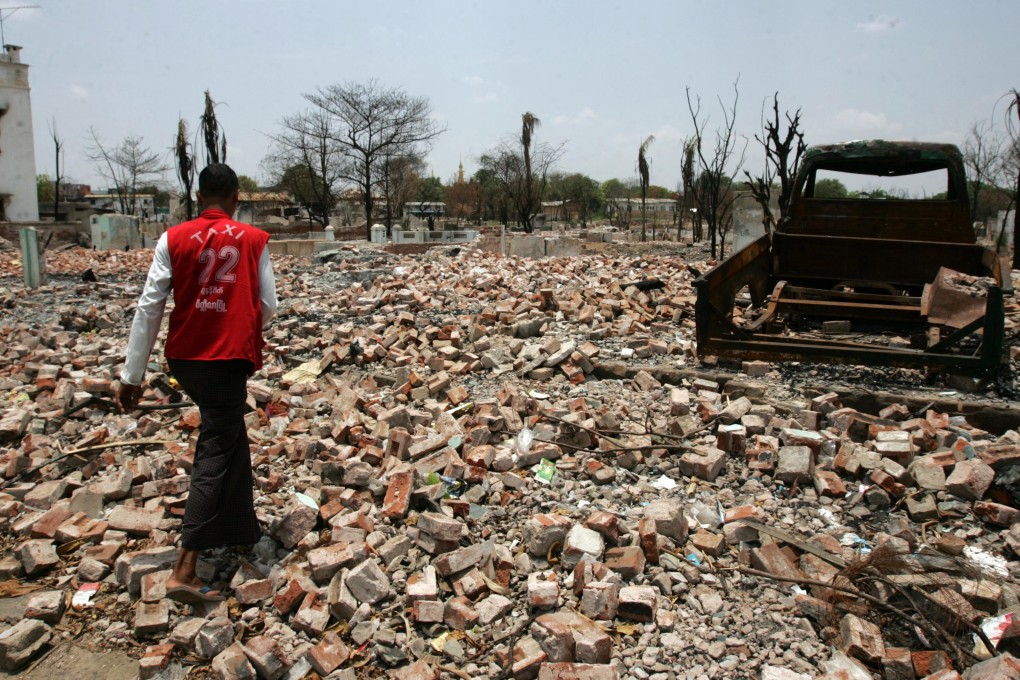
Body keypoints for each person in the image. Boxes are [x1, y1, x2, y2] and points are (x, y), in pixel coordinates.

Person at [118, 163, 277, 605]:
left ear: (199, 194)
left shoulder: (172, 238)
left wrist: (132, 375)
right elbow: (268, 303)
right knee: (215, 447)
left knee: (228, 432)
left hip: (185, 358)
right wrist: (237, 326)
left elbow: (150, 306)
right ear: (237, 198)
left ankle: (241, 528)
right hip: (227, 358)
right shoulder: (253, 240)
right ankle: (184, 567)